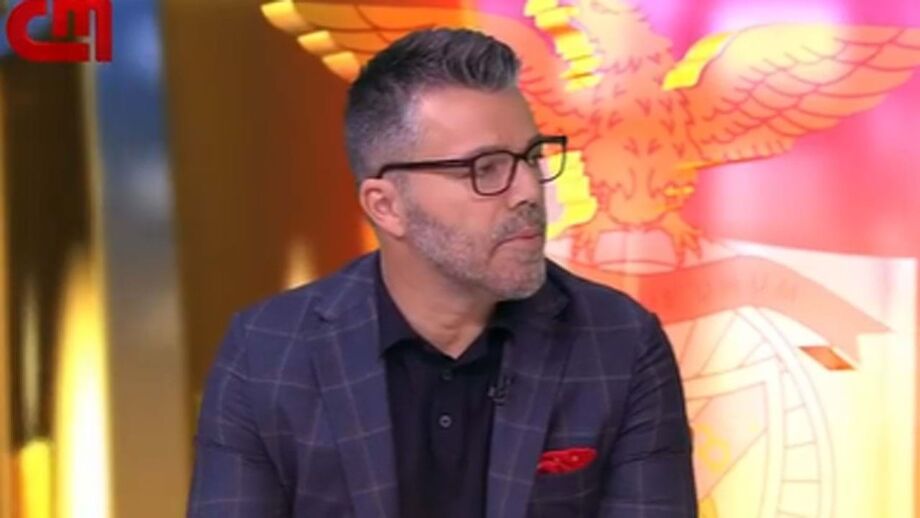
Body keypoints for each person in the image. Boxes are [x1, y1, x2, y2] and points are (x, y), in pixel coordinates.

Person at [187, 28, 697, 518]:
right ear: (386, 206)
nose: (528, 191)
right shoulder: (267, 354)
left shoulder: (620, 343)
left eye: (532, 157)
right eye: (486, 168)